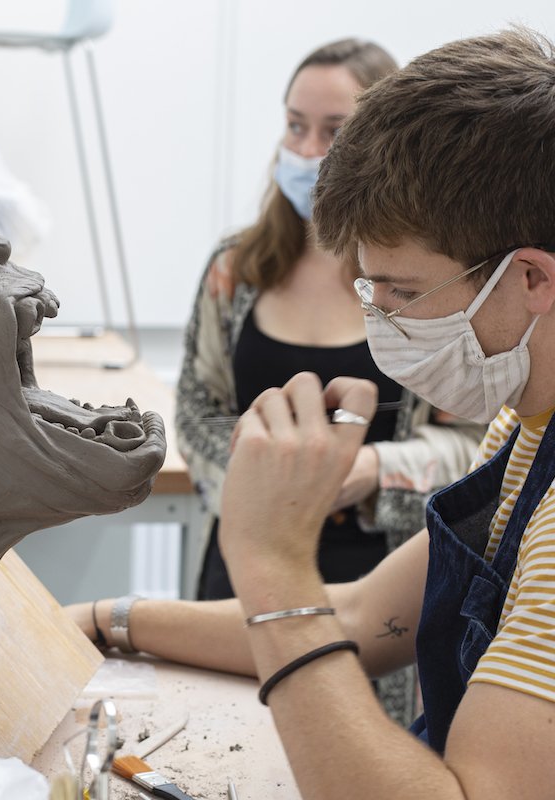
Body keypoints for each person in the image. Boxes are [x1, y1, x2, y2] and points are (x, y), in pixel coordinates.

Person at [72, 27, 555, 798]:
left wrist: (269, 560)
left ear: (528, 277)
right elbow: (365, 614)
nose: (382, 323)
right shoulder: (526, 424)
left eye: (402, 294)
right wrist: (104, 620)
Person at [173, 38, 483, 723]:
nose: (309, 151)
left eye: (335, 131)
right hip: (241, 565)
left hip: (379, 577)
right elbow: (195, 409)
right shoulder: (237, 268)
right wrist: (266, 486)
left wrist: (373, 466)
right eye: (295, 126)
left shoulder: (423, 282)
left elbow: (478, 446)